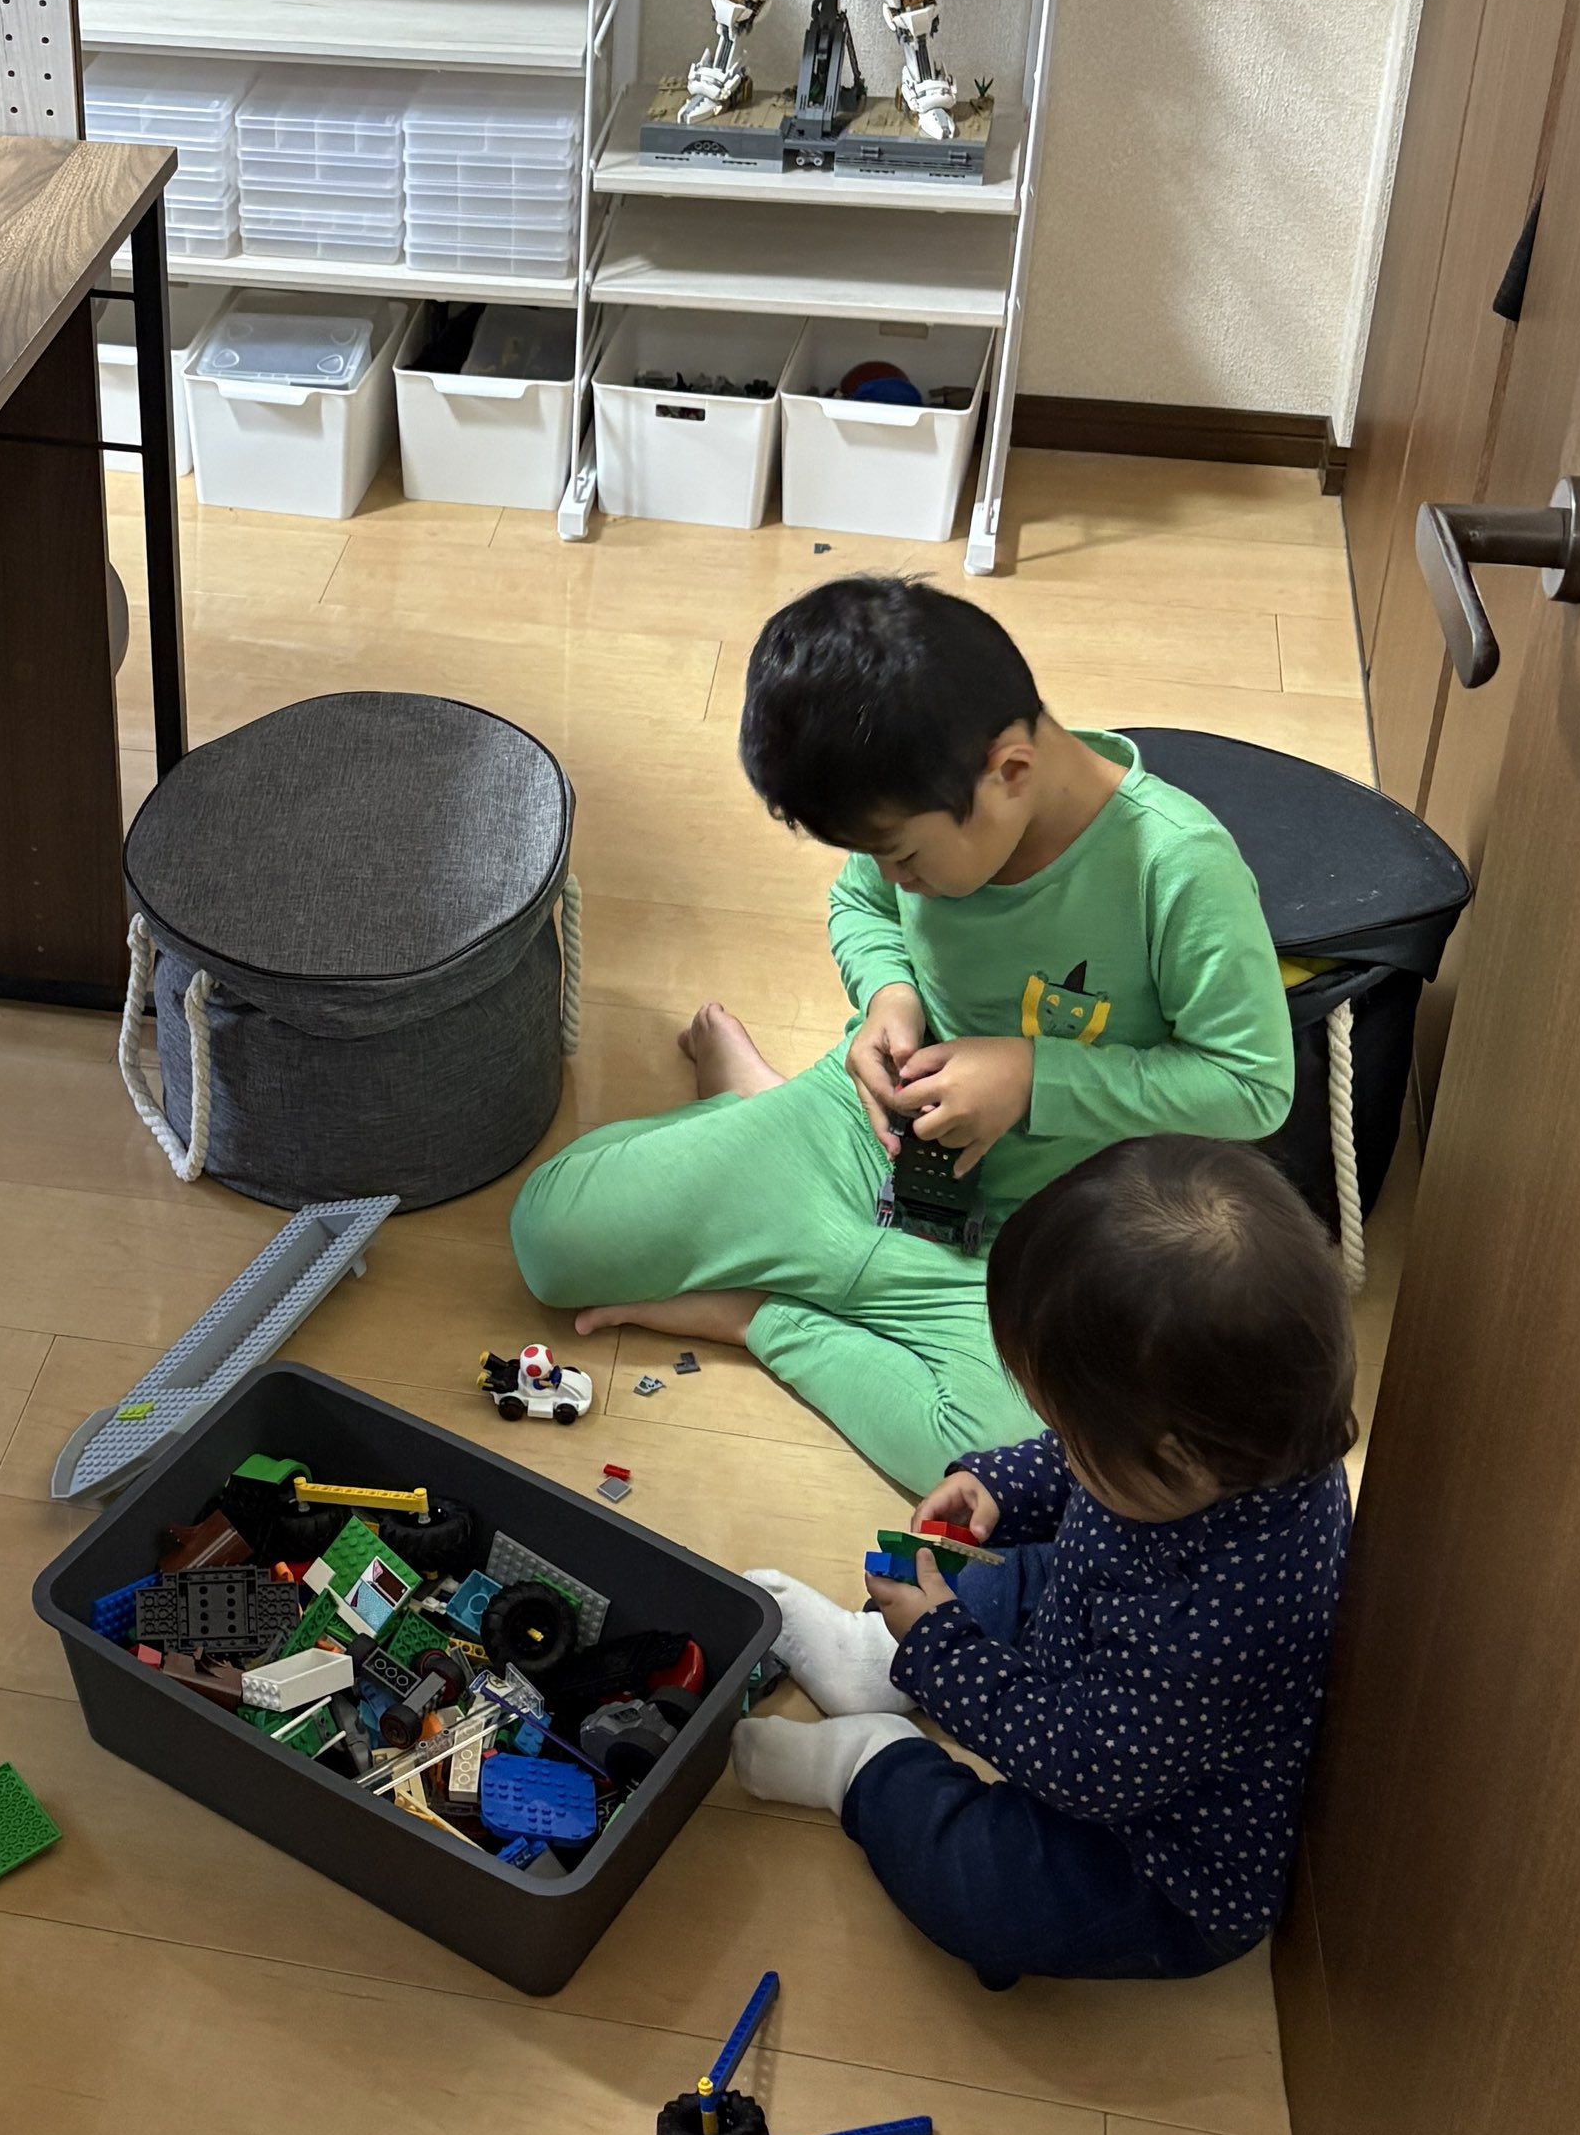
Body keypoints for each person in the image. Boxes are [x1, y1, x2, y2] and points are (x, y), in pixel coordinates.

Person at [505, 575, 1294, 1490]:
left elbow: (1252, 1085)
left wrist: (1032, 1076)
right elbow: (863, 906)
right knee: (551, 1241)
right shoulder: (915, 803)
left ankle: (756, 1307)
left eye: (905, 856)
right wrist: (888, 997)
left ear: (1010, 774)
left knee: (1000, 1460)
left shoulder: (1177, 865)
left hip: (1036, 1228)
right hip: (868, 1133)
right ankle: (760, 1119)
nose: (892, 877)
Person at [733, 1138, 1357, 1984]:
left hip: (1148, 1853)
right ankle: (871, 1657)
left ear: (1173, 1459)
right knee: (1013, 1570)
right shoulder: (1229, 1431)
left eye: (1067, 1429)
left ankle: (864, 1764)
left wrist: (943, 1649)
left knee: (984, 1896)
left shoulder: (1220, 1626)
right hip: (1092, 1634)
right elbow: (1085, 1467)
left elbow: (1086, 1766)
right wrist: (1003, 1484)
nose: (1057, 1439)